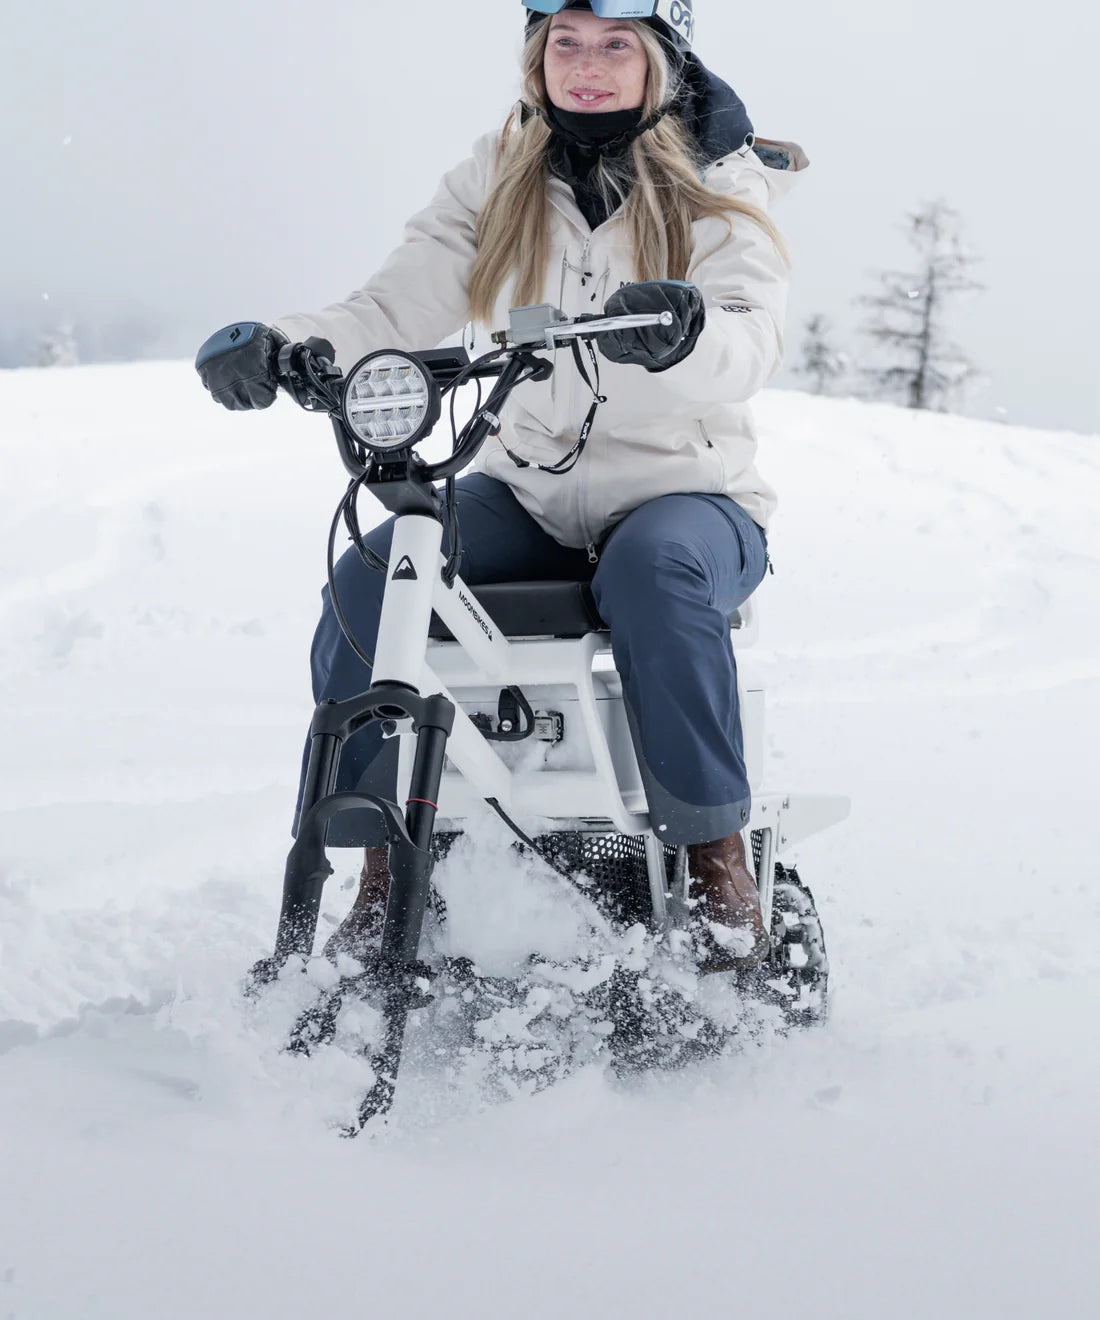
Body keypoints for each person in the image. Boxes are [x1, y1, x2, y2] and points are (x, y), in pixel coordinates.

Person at [197, 0, 807, 973]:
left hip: (686, 493)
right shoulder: (501, 170)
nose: (587, 65)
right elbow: (396, 302)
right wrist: (289, 346)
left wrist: (686, 332)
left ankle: (711, 858)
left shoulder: (715, 177)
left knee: (653, 575)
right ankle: (383, 872)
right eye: (562, 44)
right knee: (379, 572)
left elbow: (748, 334)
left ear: (659, 53)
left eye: (614, 44)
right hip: (528, 487)